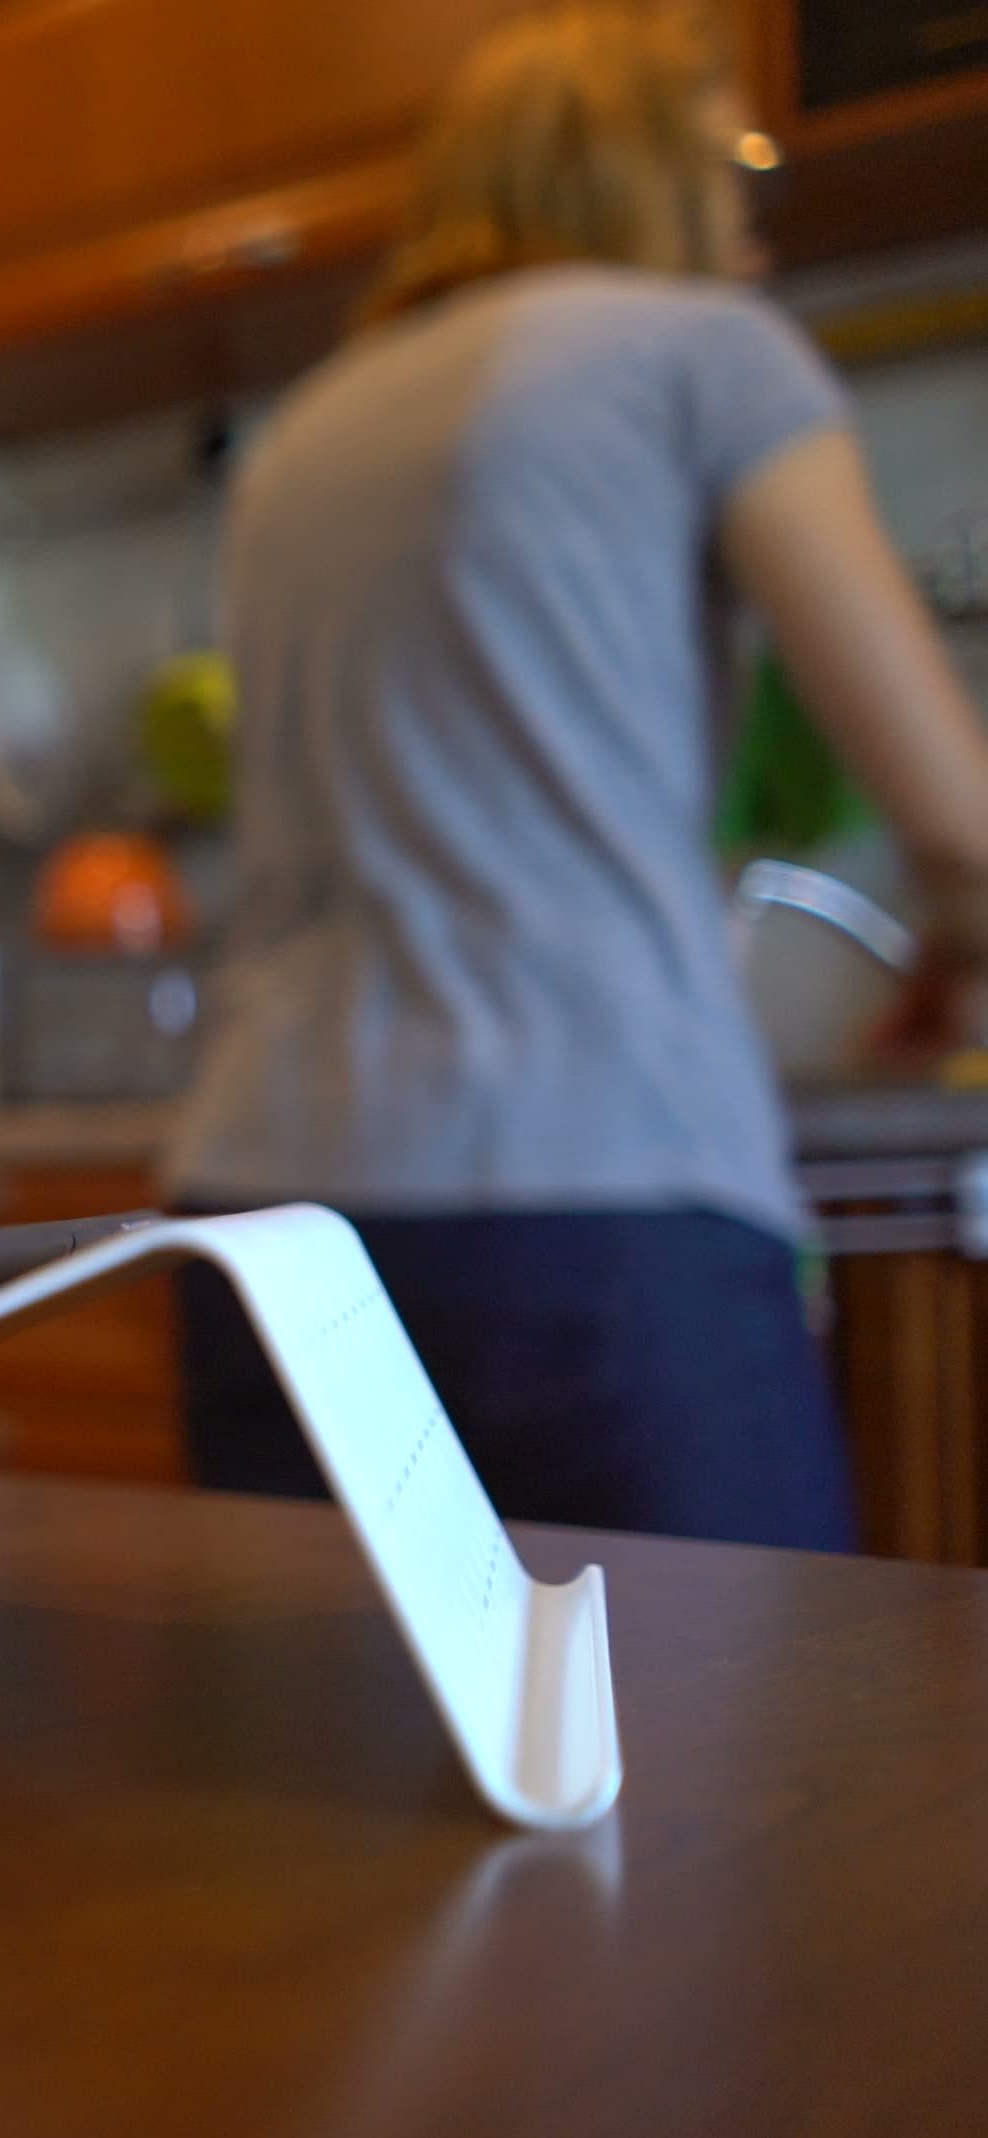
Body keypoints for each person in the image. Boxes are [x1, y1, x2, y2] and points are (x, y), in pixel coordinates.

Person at [161, 6, 988, 1549]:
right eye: (726, 174)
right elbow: (961, 829)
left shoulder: (301, 435)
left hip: (264, 1220)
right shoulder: (706, 353)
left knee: (319, 1780)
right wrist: (957, 947)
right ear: (641, 172)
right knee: (729, 1777)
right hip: (594, 1211)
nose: (749, 229)